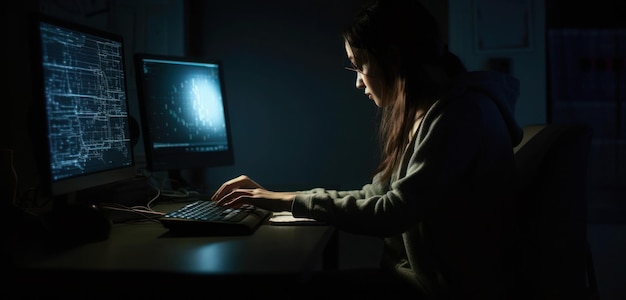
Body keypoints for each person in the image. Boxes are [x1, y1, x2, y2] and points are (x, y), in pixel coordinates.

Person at [211, 0, 523, 299]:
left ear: (392, 58)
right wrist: (279, 199)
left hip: (440, 291)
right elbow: (376, 196)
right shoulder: (433, 112)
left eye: (359, 66)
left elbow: (392, 212)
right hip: (414, 280)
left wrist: (281, 201)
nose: (359, 82)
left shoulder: (461, 115)